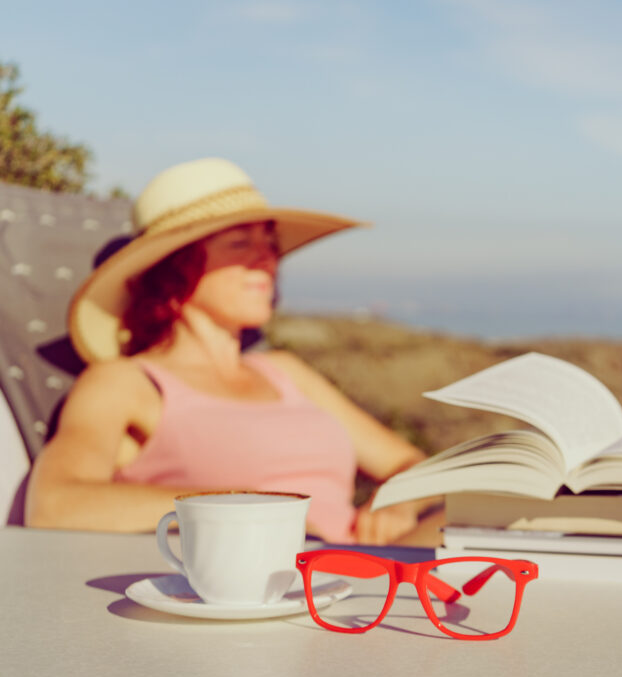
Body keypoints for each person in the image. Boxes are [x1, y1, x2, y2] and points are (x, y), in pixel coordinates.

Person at [24, 157, 434, 544]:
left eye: (271, 244)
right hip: (264, 585)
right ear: (175, 271)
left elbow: (414, 466)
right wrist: (248, 510)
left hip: (363, 572)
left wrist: (398, 500)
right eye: (241, 243)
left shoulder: (285, 371)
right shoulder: (127, 382)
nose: (268, 260)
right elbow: (55, 505)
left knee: (486, 506)